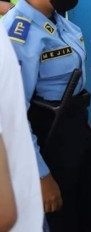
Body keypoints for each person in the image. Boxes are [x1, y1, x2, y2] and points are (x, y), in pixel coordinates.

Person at [1, 0, 91, 231]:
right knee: (63, 222)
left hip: (76, 131)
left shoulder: (62, 23)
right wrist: (41, 176)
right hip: (47, 142)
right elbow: (12, 120)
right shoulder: (16, 36)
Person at [0, 25, 43, 231]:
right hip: (20, 214)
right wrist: (42, 174)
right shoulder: (16, 27)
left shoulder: (62, 25)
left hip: (28, 206)